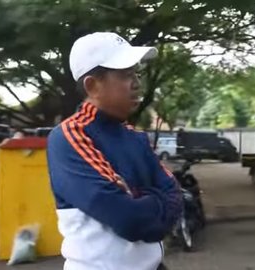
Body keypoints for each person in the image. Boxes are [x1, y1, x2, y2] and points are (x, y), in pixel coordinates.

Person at [46, 32, 182, 270]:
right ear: (92, 85)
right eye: (126, 75)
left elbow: (176, 197)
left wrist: (138, 196)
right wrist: (153, 197)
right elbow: (129, 219)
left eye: (136, 74)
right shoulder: (69, 137)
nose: (137, 84)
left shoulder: (135, 137)